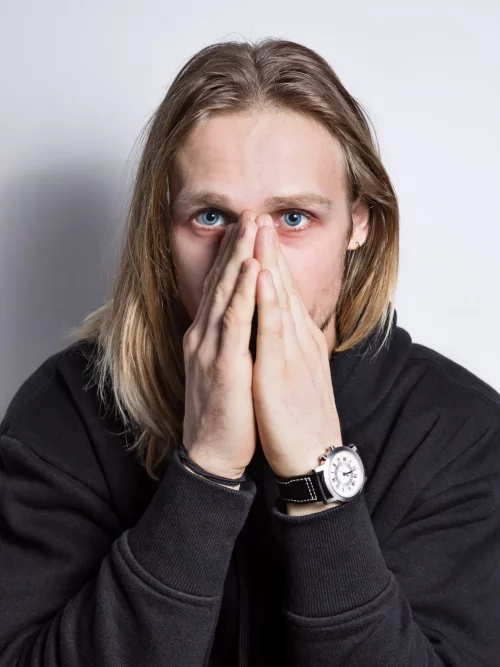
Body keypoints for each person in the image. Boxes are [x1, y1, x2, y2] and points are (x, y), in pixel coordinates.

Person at [0, 37, 499, 667]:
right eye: (211, 217)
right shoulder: (65, 412)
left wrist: (320, 482)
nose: (253, 260)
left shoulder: (461, 432)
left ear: (360, 223)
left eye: (293, 218)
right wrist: (204, 472)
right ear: (163, 231)